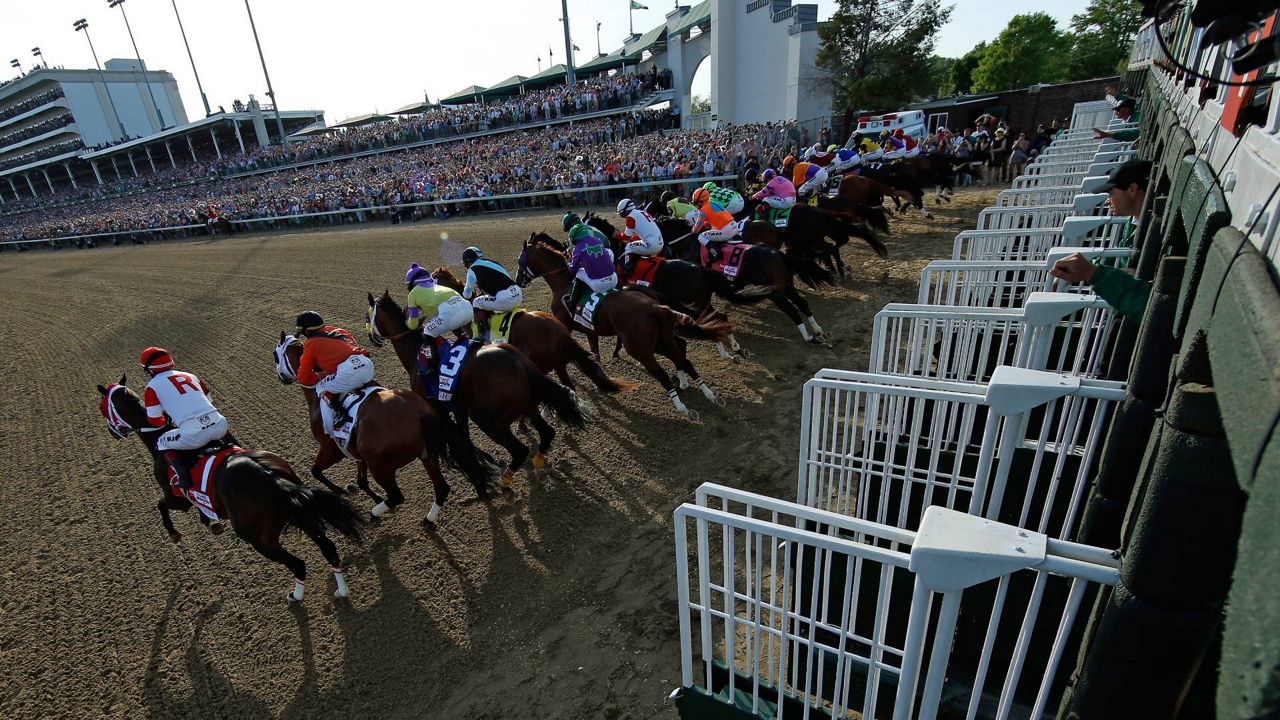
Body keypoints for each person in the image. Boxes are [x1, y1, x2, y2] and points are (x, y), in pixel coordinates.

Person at [1049, 159, 1153, 321]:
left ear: (1132, 189)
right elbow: (1118, 256)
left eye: (1111, 193)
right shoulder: (1135, 221)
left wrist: (1093, 273)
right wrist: (1087, 266)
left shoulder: (1156, 231)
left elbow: (1153, 310)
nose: (1107, 201)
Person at [141, 347, 229, 494]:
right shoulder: (190, 375)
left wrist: (170, 418)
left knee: (161, 442)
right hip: (220, 425)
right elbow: (208, 400)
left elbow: (156, 421)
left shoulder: (151, 387)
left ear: (150, 370)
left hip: (194, 436)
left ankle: (183, 477)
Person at [295, 311, 375, 429]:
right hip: (367, 364)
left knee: (321, 387)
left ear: (306, 332)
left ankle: (341, 413)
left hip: (348, 372)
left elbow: (303, 377)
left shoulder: (310, 343)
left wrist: (319, 375)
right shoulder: (338, 330)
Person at [405, 262, 473, 369]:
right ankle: (467, 341)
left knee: (428, 330)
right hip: (468, 309)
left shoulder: (412, 294)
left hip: (451, 313)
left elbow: (413, 324)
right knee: (451, 323)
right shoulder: (437, 286)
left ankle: (432, 363)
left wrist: (407, 323)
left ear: (410, 283)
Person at [562, 212, 618, 311]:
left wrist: (568, 262)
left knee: (579, 272)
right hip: (613, 273)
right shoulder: (591, 233)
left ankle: (572, 300)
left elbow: (573, 269)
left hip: (599, 284)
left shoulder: (577, 246)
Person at [461, 246, 523, 323]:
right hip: (518, 294)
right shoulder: (493, 263)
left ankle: (481, 331)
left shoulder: (472, 270)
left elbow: (467, 295)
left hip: (506, 299)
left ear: (468, 262)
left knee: (476, 302)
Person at [691, 186, 742, 263]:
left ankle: (716, 253)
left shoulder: (703, 210)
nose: (696, 206)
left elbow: (696, 229)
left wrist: (692, 230)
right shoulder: (715, 203)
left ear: (700, 202)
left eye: (696, 203)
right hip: (735, 226)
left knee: (701, 236)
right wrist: (708, 223)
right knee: (712, 229)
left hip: (727, 230)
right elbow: (719, 216)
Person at [616, 198, 663, 275]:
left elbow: (626, 237)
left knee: (629, 246)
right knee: (634, 243)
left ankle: (628, 269)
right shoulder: (642, 212)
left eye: (622, 214)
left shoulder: (630, 217)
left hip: (652, 244)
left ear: (626, 210)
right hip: (659, 242)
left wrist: (616, 235)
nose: (622, 216)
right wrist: (633, 238)